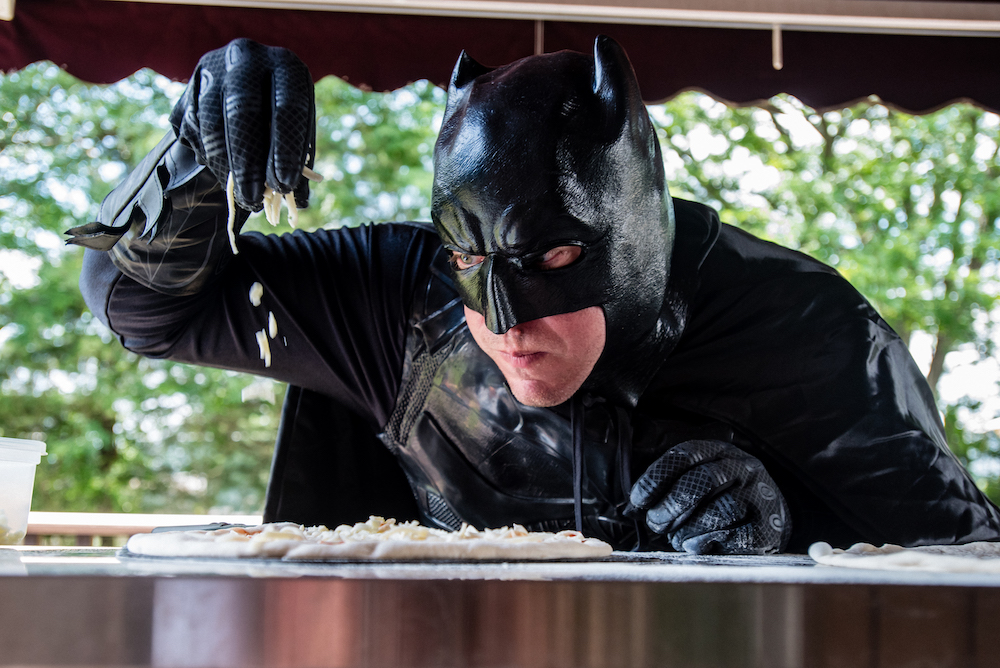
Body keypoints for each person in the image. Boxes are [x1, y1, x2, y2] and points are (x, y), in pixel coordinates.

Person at [69, 36, 1000, 555]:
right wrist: (190, 158)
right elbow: (142, 306)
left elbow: (964, 582)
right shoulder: (399, 299)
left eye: (552, 261)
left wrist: (801, 535)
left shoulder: (808, 331)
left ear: (635, 243)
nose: (503, 328)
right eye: (469, 263)